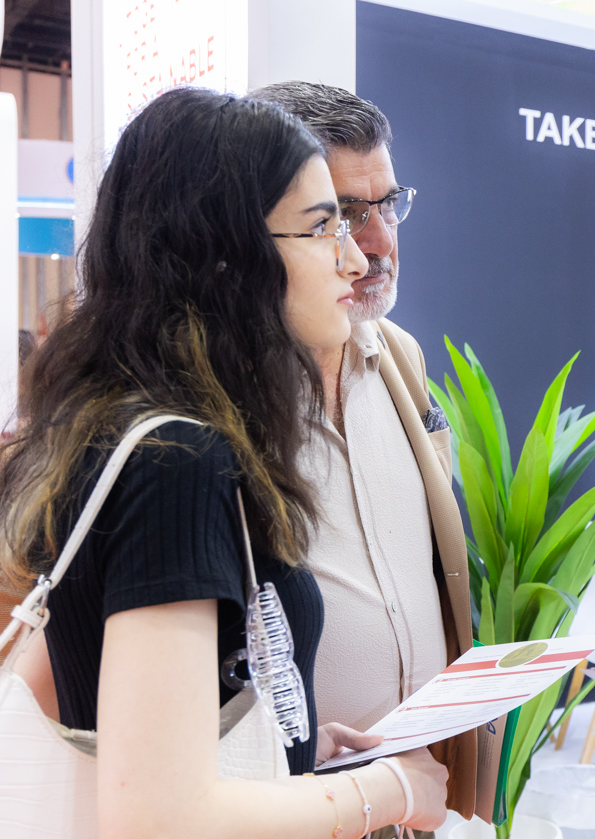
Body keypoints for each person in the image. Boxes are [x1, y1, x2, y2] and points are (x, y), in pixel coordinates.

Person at [0, 87, 447, 836]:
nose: (354, 256)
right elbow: (158, 816)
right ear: (227, 255)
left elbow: (89, 688)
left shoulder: (132, 427)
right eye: (322, 226)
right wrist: (388, 792)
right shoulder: (177, 460)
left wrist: (295, 752)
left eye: (370, 215)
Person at [248, 82, 477, 821]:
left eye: (389, 205)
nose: (377, 243)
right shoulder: (225, 394)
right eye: (346, 214)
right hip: (285, 808)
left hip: (411, 793)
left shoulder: (400, 359)